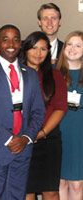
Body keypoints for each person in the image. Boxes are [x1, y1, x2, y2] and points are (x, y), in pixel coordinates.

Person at [0, 24, 45, 200]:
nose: (11, 43)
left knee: (16, 196)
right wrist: (9, 140)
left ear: (21, 44)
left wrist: (26, 138)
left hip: (23, 148)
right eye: (5, 39)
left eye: (15, 39)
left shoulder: (31, 74)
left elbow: (38, 111)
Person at [18, 31, 67, 200]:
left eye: (43, 49)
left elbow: (60, 108)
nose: (38, 53)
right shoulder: (15, 74)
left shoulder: (55, 76)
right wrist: (26, 136)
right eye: (34, 48)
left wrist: (43, 132)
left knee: (51, 191)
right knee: (26, 191)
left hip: (48, 140)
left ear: (48, 52)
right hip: (21, 141)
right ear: (26, 49)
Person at [57, 31, 83, 200]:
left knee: (77, 183)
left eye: (78, 45)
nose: (73, 49)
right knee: (60, 182)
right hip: (57, 132)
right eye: (69, 44)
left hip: (79, 134)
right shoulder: (52, 73)